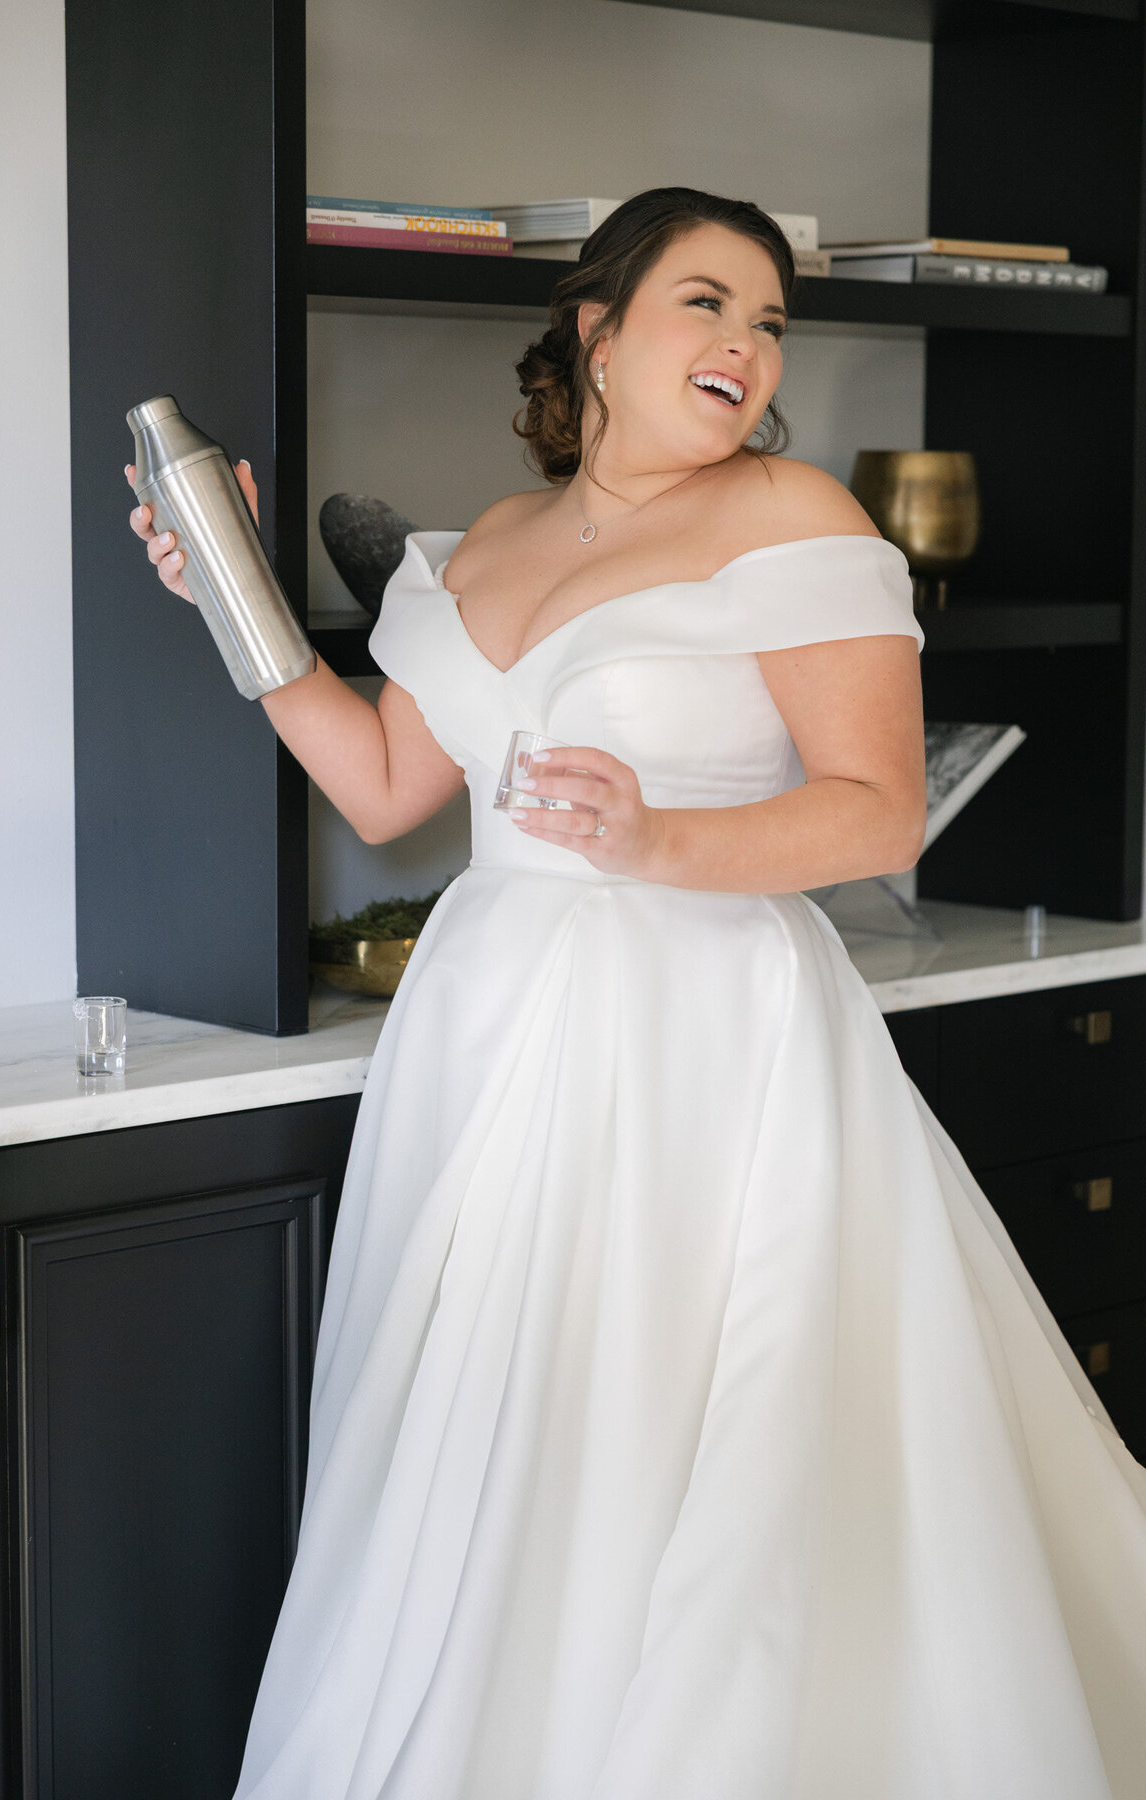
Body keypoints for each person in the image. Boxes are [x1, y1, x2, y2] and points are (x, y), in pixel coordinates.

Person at [127, 187, 1146, 1800]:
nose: (749, 344)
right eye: (708, 303)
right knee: (494, 1434)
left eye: (770, 321)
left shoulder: (795, 518)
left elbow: (879, 811)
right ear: (598, 334)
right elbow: (386, 787)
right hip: (483, 1031)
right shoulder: (488, 542)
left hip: (702, 1043)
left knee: (683, 1437)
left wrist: (659, 837)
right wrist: (226, 603)